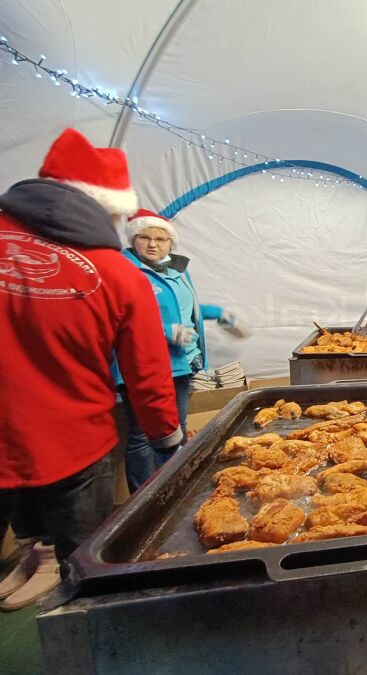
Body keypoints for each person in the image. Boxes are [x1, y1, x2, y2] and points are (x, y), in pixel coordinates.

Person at [0, 128, 182, 611]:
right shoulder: (118, 272)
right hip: (74, 439)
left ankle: (33, 561)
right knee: (86, 568)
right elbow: (147, 370)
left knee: (34, 519)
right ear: (114, 212)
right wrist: (167, 437)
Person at [115, 209, 249, 492]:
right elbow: (118, 317)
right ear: (133, 239)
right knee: (142, 434)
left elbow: (190, 308)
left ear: (170, 243)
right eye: (145, 237)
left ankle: (175, 486)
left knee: (178, 425)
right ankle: (144, 493)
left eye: (161, 239)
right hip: (141, 368)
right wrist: (165, 331)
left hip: (180, 363)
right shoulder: (123, 271)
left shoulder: (176, 270)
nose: (153, 244)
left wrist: (222, 313)